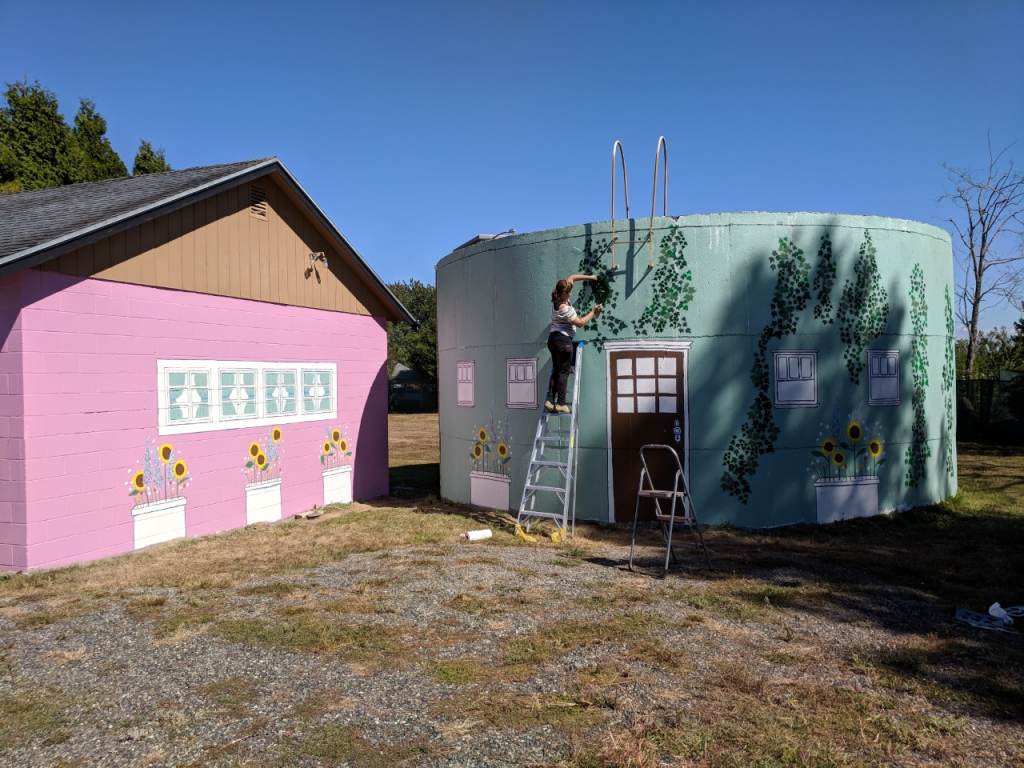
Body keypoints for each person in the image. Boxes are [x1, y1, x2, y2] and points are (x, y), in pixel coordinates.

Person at [545, 275, 603, 414]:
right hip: (563, 341)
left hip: (553, 339)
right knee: (564, 372)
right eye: (570, 292)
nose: (571, 293)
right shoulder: (564, 308)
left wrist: (591, 277)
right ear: (565, 293)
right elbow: (580, 323)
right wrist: (594, 312)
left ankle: (550, 400)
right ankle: (561, 404)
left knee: (557, 371)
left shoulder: (557, 299)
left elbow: (572, 277)